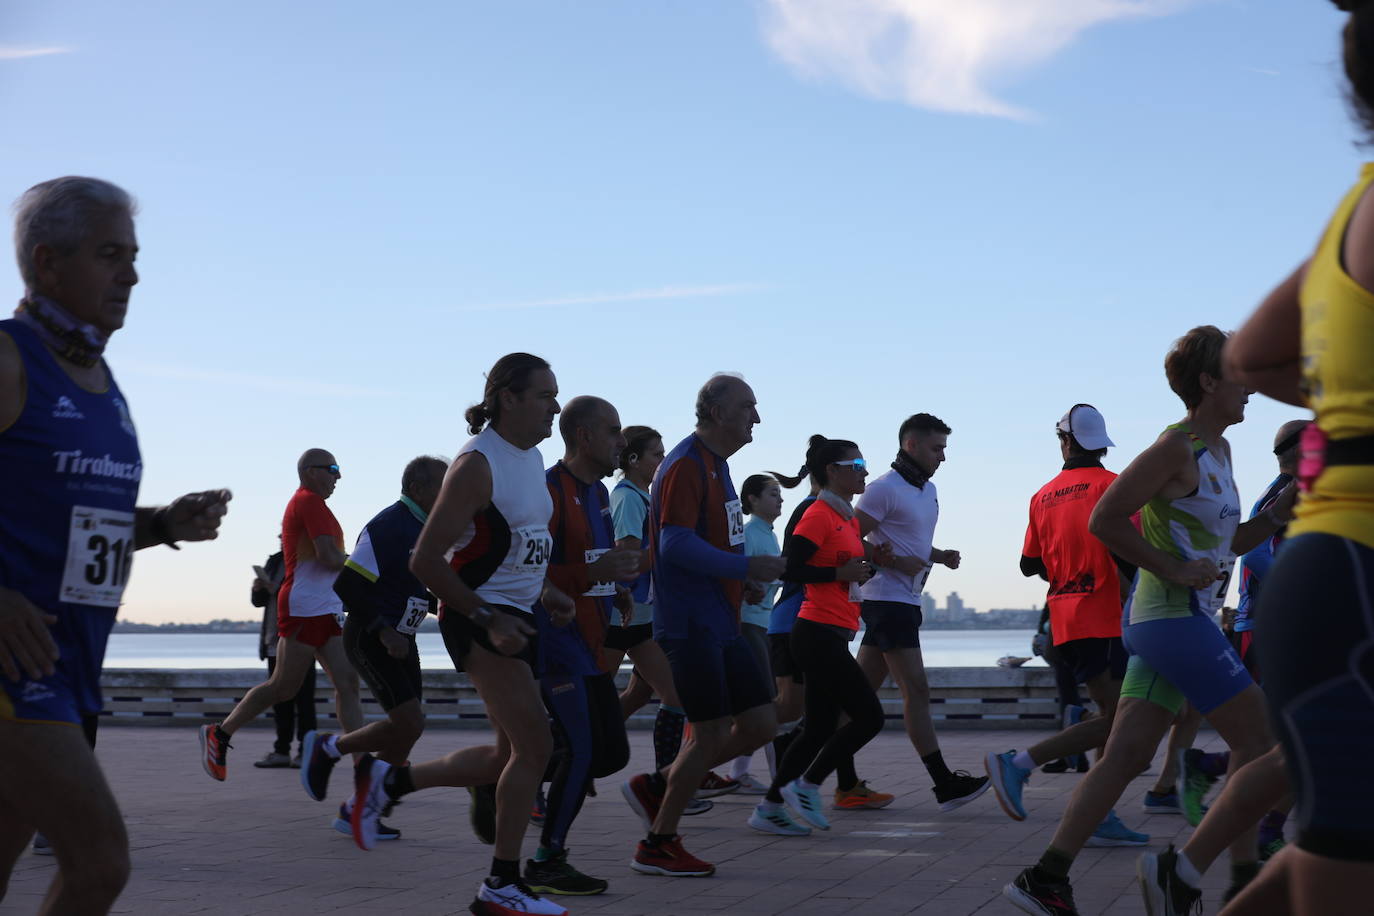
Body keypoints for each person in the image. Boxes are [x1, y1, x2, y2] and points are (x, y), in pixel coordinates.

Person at [1003, 325, 1295, 916]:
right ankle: (1218, 875)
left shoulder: (1220, 452)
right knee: (1264, 741)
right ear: (1209, 382)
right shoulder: (1175, 448)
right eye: (1240, 375)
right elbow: (1105, 519)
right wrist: (1171, 568)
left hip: (1177, 621)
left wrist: (1274, 517)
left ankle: (1045, 877)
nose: (1251, 390)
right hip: (1170, 619)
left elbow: (1227, 543)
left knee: (1127, 754)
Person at [0, 176, 230, 914]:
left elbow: (74, 534)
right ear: (47, 261)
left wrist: (161, 526)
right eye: (110, 255)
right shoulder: (8, 361)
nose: (131, 274)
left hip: (71, 666)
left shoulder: (101, 378)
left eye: (133, 256)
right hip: (14, 673)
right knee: (100, 862)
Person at [1218, 8, 1374, 904]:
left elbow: (1256, 355)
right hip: (1358, 583)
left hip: (1331, 571)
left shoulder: (1352, 206)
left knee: (1335, 854)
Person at [351, 353, 572, 916]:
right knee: (538, 747)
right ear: (508, 398)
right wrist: (487, 617)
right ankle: (501, 884)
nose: (555, 405)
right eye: (545, 395)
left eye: (556, 394)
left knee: (508, 757)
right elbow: (426, 560)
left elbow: (518, 541)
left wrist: (548, 592)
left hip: (518, 618)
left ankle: (390, 783)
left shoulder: (533, 456)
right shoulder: (476, 464)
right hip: (478, 621)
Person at [619, 373, 786, 877]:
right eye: (748, 407)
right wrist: (744, 569)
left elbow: (716, 542)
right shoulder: (687, 465)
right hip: (689, 622)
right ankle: (658, 842)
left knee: (761, 722)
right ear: (717, 412)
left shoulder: (720, 467)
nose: (756, 417)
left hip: (723, 618)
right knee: (711, 733)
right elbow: (673, 545)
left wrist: (743, 584)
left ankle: (660, 782)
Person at [984, 404, 1148, 847]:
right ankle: (1018, 764)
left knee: (1114, 715)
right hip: (1109, 615)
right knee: (1120, 722)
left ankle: (1100, 812)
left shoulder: (1041, 496)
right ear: (1100, 444)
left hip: (1065, 618)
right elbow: (1132, 549)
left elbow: (1028, 564)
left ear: (1066, 442)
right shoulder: (1114, 486)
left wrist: (1068, 561)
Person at [295, 455, 448, 840]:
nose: (449, 494)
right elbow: (347, 586)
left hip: (403, 636)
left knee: (410, 729)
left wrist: (448, 607)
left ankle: (358, 809)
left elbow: (410, 586)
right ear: (417, 489)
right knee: (408, 721)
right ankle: (329, 747)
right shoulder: (389, 526)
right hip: (371, 635)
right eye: (441, 487)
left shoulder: (425, 526)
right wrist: (383, 631)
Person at [526, 396, 638, 895]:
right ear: (584, 437)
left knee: (610, 753)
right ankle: (548, 859)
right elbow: (529, 574)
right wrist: (595, 574)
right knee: (582, 747)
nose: (622, 441)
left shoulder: (599, 495)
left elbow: (595, 560)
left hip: (593, 643)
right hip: (554, 642)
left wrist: (617, 587)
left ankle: (506, 774)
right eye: (614, 431)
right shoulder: (546, 491)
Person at [749, 436, 886, 837]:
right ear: (832, 471)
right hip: (814, 632)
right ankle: (806, 786)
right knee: (869, 717)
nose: (863, 470)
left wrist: (860, 570)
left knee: (818, 728)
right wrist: (839, 575)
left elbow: (842, 565)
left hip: (832, 631)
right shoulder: (818, 513)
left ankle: (770, 807)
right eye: (855, 463)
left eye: (864, 463)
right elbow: (788, 569)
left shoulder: (846, 518)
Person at [200, 449, 363, 782]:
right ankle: (220, 732)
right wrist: (370, 566)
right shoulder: (308, 502)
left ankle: (364, 767)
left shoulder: (317, 505)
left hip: (325, 607)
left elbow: (330, 560)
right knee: (283, 688)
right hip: (304, 608)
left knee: (348, 683)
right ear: (309, 471)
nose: (338, 476)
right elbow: (330, 557)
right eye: (332, 469)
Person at [854, 413, 989, 810]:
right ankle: (943, 783)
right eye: (937, 448)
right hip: (885, 601)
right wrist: (893, 564)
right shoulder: (882, 489)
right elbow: (845, 536)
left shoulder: (927, 490)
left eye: (944, 449)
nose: (942, 457)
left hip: (906, 602)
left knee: (858, 698)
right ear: (911, 445)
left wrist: (939, 555)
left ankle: (808, 766)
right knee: (918, 690)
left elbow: (908, 540)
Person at [605, 426, 720, 808]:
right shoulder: (627, 498)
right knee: (601, 703)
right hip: (622, 615)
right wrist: (677, 548)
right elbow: (628, 558)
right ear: (633, 460)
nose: (662, 460)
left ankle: (669, 782)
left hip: (643, 617)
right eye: (656, 454)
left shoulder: (647, 496)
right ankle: (555, 765)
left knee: (648, 694)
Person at [728, 473, 784, 793]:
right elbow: (734, 573)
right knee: (765, 703)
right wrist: (747, 587)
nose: (780, 500)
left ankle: (739, 773)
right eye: (773, 494)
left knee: (757, 706)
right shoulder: (749, 533)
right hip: (747, 624)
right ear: (752, 500)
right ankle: (781, 782)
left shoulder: (769, 535)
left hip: (763, 626)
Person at [250, 546, 317, 768]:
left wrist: (275, 589)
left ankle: (306, 752)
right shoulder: (275, 561)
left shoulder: (310, 560)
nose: (283, 538)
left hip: (302, 639)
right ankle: (281, 751)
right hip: (273, 639)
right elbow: (259, 601)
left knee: (304, 699)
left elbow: (309, 594)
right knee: (279, 698)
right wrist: (258, 589)